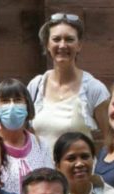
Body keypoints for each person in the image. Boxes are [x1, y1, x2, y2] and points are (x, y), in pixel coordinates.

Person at [28, 13, 109, 149]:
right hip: (42, 170)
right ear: (47, 44)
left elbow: (111, 140)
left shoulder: (94, 89)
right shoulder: (35, 86)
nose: (62, 45)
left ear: (79, 45)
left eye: (69, 39)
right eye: (56, 39)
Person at [0, 78, 53, 194]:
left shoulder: (41, 145)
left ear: (27, 106)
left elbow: (51, 184)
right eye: (5, 101)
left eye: (18, 100)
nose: (12, 106)